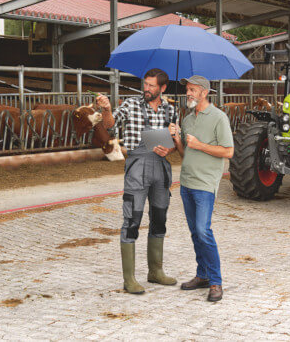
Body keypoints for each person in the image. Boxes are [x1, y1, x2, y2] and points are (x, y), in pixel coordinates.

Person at [96, 68, 178, 294]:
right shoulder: (131, 104)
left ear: (163, 88)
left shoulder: (171, 109)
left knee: (159, 219)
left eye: (152, 86)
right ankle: (129, 278)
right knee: (132, 219)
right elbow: (110, 125)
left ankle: (155, 272)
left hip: (161, 168)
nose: (147, 89)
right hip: (137, 167)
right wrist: (106, 110)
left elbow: (175, 142)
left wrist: (169, 148)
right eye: (146, 84)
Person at [169, 75, 233, 302]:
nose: (188, 93)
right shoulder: (187, 119)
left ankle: (216, 282)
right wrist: (177, 139)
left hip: (205, 184)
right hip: (186, 182)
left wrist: (200, 145)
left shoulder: (218, 117)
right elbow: (186, 154)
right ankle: (202, 275)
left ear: (205, 92)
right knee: (196, 233)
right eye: (187, 89)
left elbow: (228, 151)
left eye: (193, 90)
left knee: (204, 231)